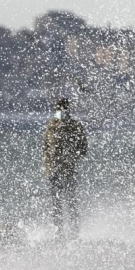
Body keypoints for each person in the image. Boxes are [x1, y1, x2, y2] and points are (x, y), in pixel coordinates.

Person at [42, 97, 88, 238]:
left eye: (63, 108)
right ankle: (59, 231)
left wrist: (73, 157)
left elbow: (84, 147)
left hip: (68, 169)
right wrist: (47, 164)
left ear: (67, 109)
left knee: (70, 201)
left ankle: (74, 231)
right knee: (56, 203)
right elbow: (45, 147)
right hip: (53, 170)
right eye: (58, 108)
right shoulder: (51, 125)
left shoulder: (75, 126)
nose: (61, 111)